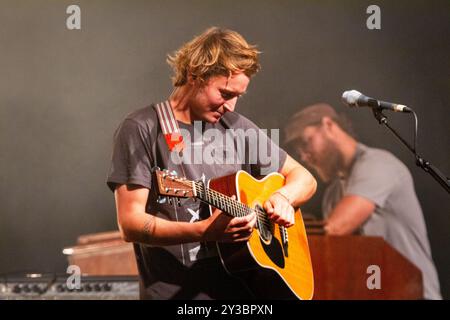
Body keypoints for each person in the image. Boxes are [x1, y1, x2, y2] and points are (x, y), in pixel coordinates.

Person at [106, 27, 317, 299]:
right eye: (226, 94)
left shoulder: (237, 127)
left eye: (238, 96)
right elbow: (131, 223)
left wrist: (283, 198)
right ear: (195, 75)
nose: (232, 107)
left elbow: (305, 178)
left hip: (246, 291)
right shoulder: (141, 128)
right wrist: (204, 231)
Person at [284, 103, 442, 299]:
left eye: (306, 142)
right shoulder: (332, 195)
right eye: (298, 151)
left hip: (416, 294)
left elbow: (335, 228)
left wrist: (287, 226)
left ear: (329, 126)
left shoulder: (377, 164)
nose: (304, 156)